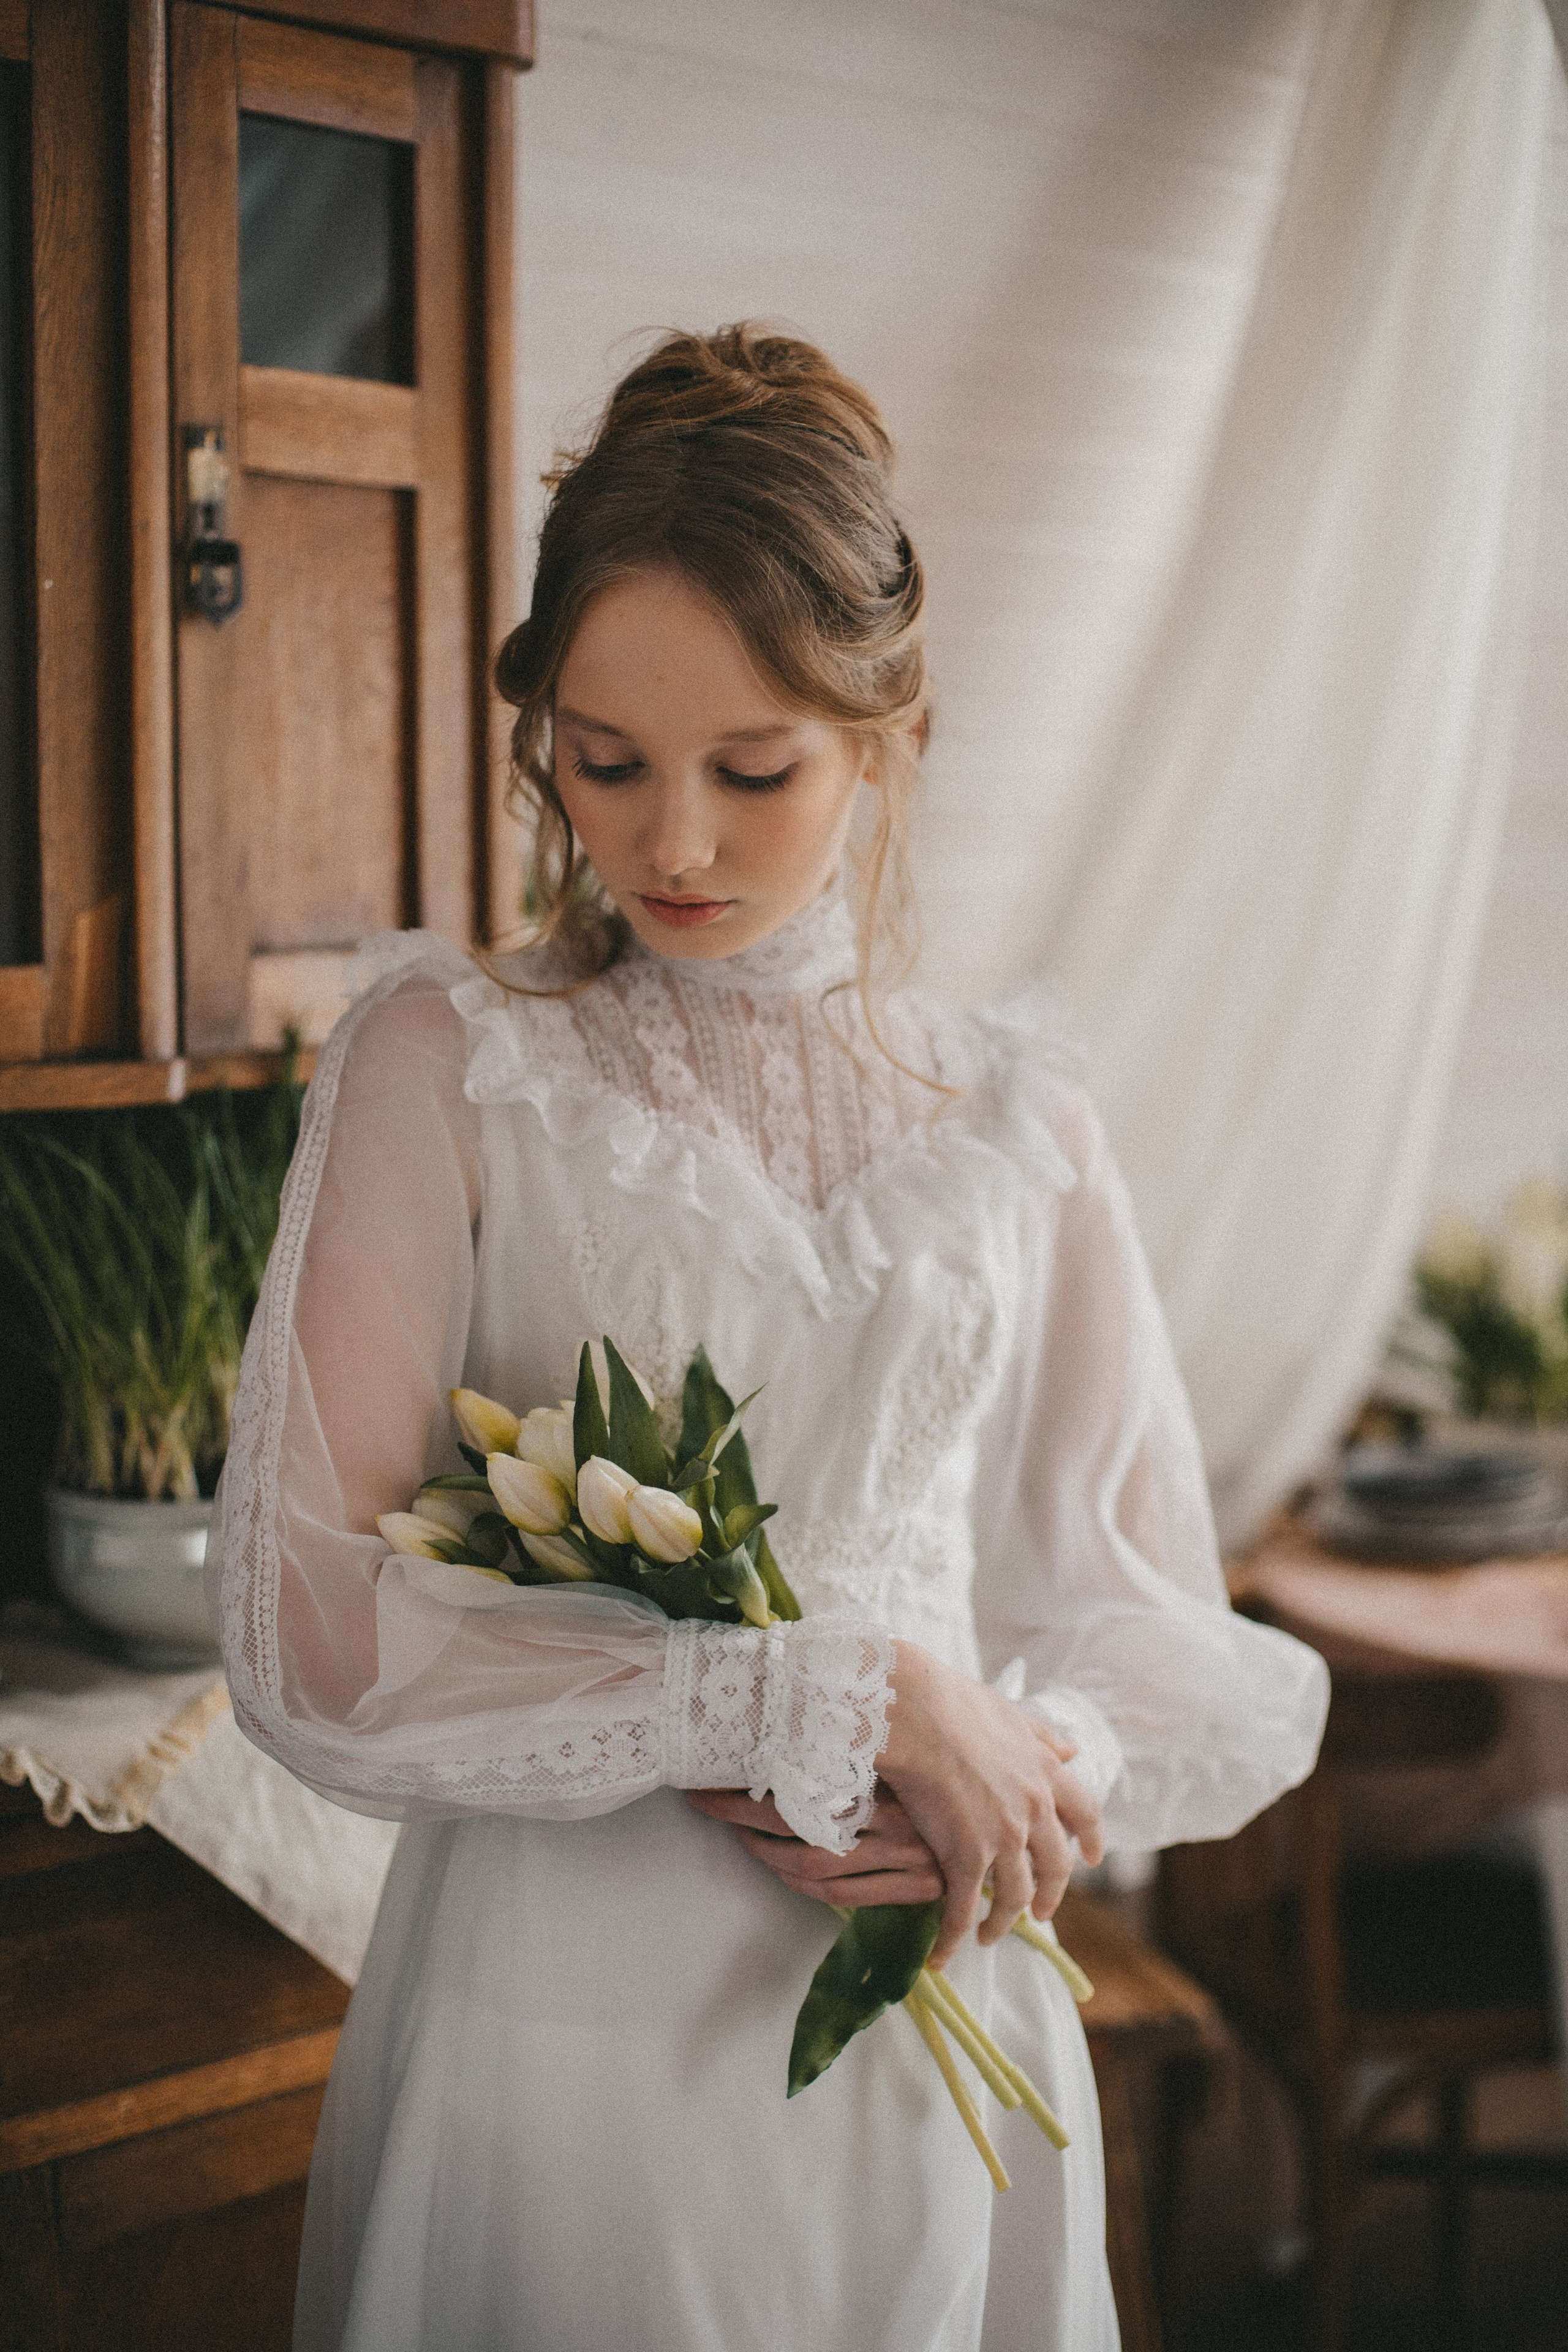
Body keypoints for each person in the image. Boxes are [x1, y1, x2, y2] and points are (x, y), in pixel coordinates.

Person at [211, 323, 1328, 2352]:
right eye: (605, 760)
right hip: (564, 2039)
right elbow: (311, 1626)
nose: (673, 848)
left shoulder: (1018, 1113)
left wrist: (1024, 1760)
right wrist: (823, 1688)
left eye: (755, 768)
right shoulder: (444, 1064)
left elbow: (1160, 1615)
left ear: (885, 737)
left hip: (940, 2007)